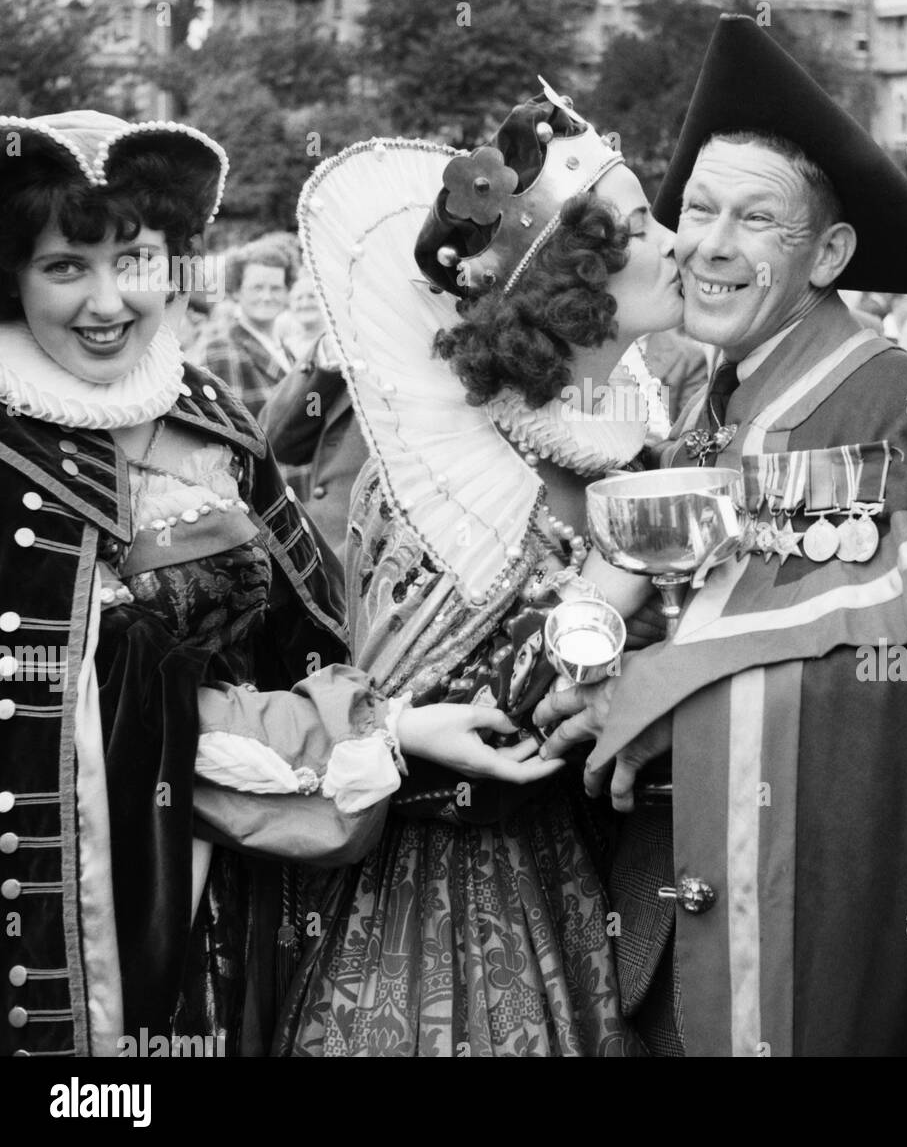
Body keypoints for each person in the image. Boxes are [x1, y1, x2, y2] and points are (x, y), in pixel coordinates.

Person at [0, 110, 559, 1058]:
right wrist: (385, 733)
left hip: (250, 887)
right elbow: (92, 722)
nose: (108, 301)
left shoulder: (205, 408)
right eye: (65, 266)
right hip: (85, 906)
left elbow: (314, 639)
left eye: (135, 259)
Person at [536, 15, 907, 1056]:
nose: (709, 244)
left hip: (819, 934)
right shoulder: (709, 411)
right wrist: (600, 673)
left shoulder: (900, 405)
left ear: (830, 253)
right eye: (698, 210)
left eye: (756, 219)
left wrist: (678, 703)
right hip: (676, 899)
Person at [275, 87, 683, 1056]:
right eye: (636, 227)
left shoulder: (636, 441)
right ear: (566, 288)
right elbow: (448, 706)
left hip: (584, 873)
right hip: (437, 898)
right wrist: (629, 571)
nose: (673, 241)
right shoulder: (450, 478)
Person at [260, 331, 365, 564]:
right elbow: (283, 441)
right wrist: (325, 356)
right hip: (324, 557)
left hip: (374, 562)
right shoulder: (350, 342)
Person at [198, 238, 295, 421]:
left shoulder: (287, 352)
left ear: (287, 292)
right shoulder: (223, 349)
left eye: (275, 288)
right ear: (236, 291)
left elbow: (312, 408)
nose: (266, 296)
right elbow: (228, 428)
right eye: (257, 288)